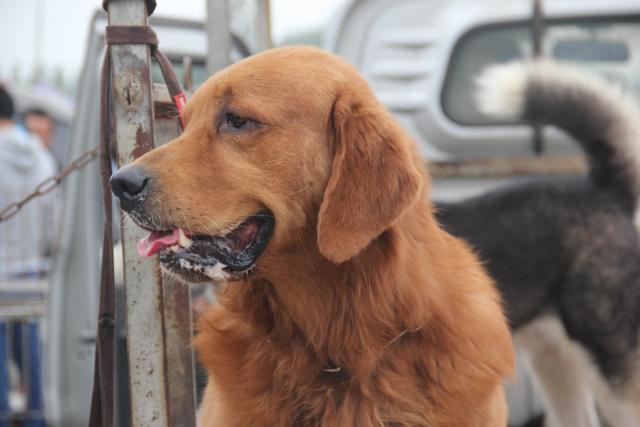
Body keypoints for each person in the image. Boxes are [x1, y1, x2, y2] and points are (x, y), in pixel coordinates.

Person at [0, 85, 53, 427]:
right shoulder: (40, 156)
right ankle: (37, 417)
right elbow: (53, 215)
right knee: (30, 348)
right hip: (32, 268)